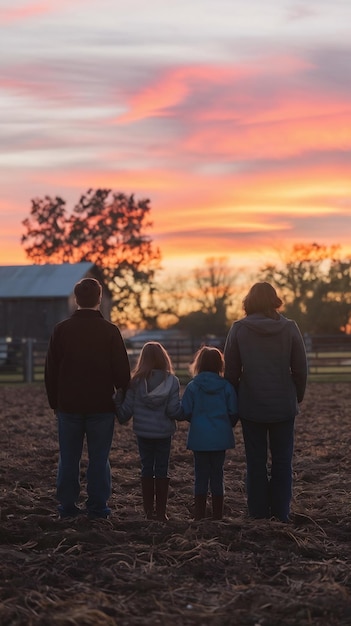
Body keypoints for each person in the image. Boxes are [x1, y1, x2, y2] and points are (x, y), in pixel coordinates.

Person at [45, 277, 130, 520]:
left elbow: (51, 371)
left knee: (68, 457)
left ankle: (67, 505)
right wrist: (121, 397)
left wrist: (55, 402)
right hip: (101, 405)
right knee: (99, 458)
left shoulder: (61, 330)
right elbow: (122, 373)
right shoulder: (110, 331)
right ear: (99, 299)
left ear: (76, 299)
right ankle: (98, 506)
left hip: (69, 406)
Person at [224, 281, 308, 522]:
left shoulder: (239, 328)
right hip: (283, 404)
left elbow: (231, 372)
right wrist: (296, 396)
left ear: (249, 301)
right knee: (282, 462)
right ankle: (281, 513)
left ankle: (258, 513)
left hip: (251, 405)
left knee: (256, 462)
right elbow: (300, 369)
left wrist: (235, 403)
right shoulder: (290, 328)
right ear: (275, 300)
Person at [113, 341, 182, 522]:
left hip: (143, 433)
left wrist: (117, 400)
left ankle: (147, 512)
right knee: (162, 469)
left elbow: (125, 413)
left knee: (146, 468)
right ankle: (161, 513)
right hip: (164, 433)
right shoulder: (172, 382)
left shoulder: (135, 382)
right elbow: (174, 411)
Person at [181, 346, 238, 521]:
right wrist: (227, 426)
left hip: (199, 438)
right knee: (217, 474)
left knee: (201, 475)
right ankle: (218, 515)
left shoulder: (193, 387)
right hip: (220, 437)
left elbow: (185, 411)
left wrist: (196, 421)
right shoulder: (226, 387)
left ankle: (199, 515)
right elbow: (234, 411)